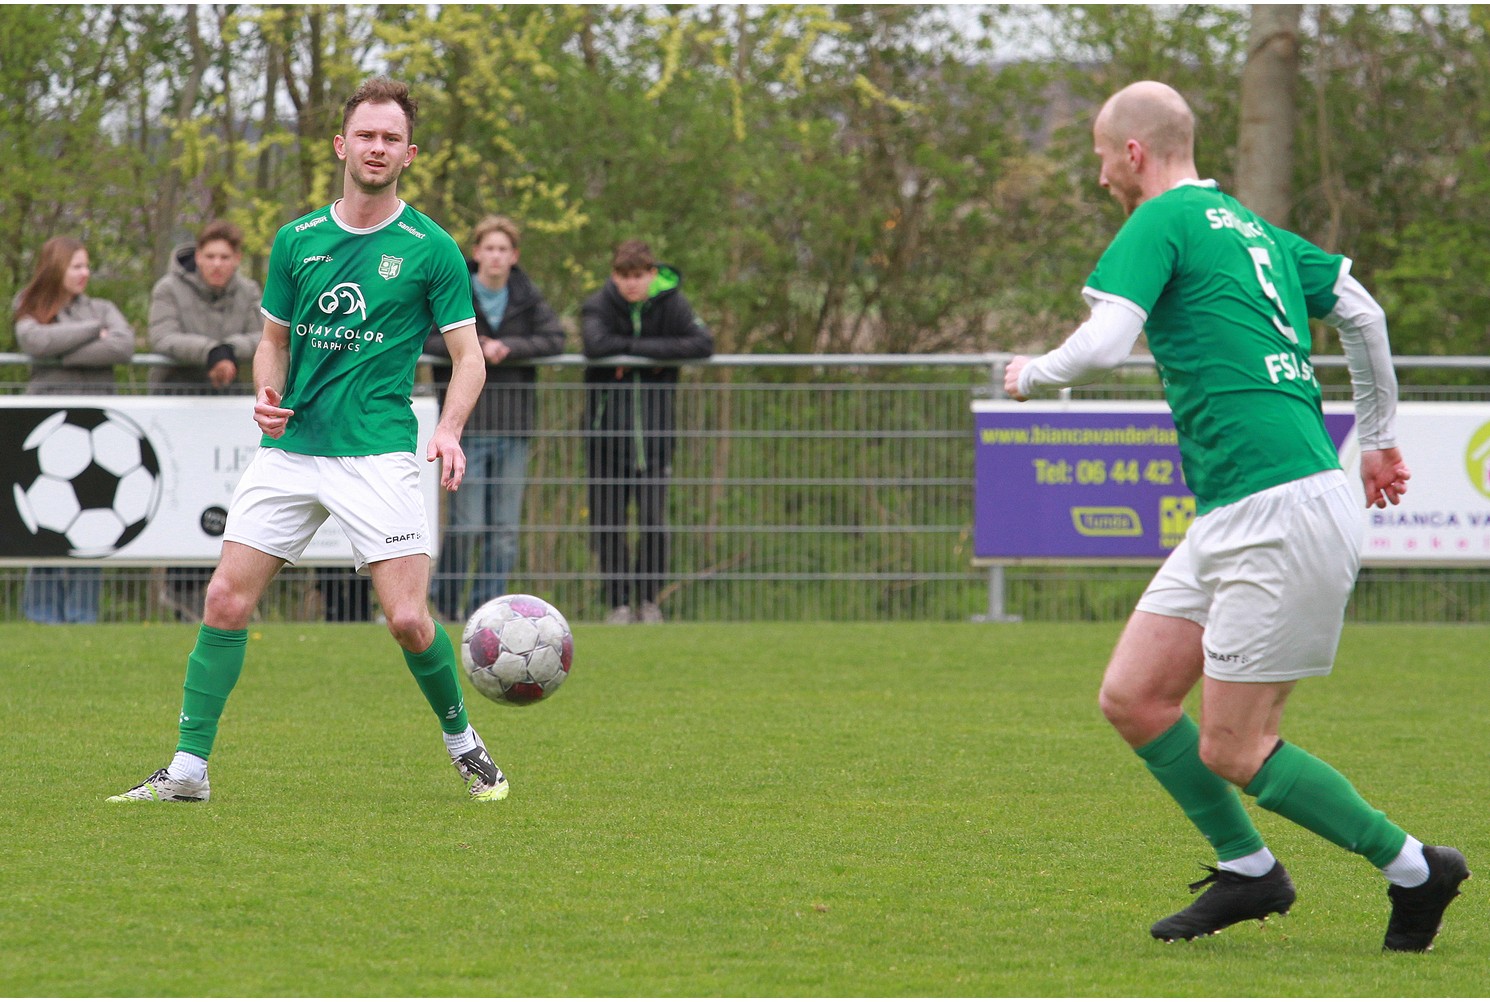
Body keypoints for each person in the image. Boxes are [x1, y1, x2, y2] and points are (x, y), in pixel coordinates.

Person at [1003, 81, 1467, 952]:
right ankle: (1250, 871)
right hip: (1237, 511)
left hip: (1279, 512)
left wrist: (1031, 374)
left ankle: (1415, 867)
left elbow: (1104, 344)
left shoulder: (1162, 219)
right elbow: (1362, 312)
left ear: (1133, 152)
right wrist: (1376, 438)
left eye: (1102, 158)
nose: (1101, 177)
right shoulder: (1254, 230)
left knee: (1236, 747)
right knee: (1136, 698)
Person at [107, 77, 506, 804]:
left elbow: (468, 356)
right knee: (224, 600)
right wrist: (267, 394)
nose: (377, 147)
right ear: (341, 145)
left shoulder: (433, 249)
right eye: (366, 135)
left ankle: (465, 744)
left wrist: (448, 429)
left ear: (409, 154)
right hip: (292, 452)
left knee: (408, 619)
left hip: (378, 450)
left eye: (391, 138)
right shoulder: (297, 240)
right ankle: (188, 771)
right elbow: (272, 342)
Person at [424, 214, 565, 621]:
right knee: (467, 525)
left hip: (514, 425)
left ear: (514, 255)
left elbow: (555, 338)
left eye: (504, 249)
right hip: (465, 425)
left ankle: (486, 612)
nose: (496, 256)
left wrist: (510, 348)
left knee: (503, 531)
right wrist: (475, 347)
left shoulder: (527, 296)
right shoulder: (455, 288)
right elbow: (427, 337)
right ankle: (446, 603)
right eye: (489, 248)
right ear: (477, 253)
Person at [581, 239, 713, 624]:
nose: (631, 283)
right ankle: (619, 603)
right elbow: (595, 343)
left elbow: (702, 343)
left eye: (639, 275)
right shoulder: (599, 303)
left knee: (653, 522)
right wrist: (652, 354)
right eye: (624, 275)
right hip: (606, 438)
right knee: (609, 523)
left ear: (652, 274)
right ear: (614, 276)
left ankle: (649, 600)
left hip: (656, 438)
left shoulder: (673, 303)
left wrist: (634, 355)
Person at [12, 236, 135, 624]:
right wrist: (93, 332)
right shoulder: (29, 305)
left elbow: (123, 346)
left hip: (97, 432)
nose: (85, 273)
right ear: (56, 268)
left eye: (87, 266)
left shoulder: (102, 307)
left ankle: (83, 614)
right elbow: (34, 340)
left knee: (92, 520)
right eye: (77, 266)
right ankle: (41, 613)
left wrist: (59, 352)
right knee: (48, 518)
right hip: (48, 432)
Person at [148, 219, 264, 621]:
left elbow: (266, 335)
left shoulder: (249, 291)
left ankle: (225, 591)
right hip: (178, 412)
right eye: (209, 256)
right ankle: (180, 589)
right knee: (183, 497)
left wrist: (229, 350)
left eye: (224, 257)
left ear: (237, 259)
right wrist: (210, 352)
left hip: (229, 413)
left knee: (230, 500)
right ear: (197, 256)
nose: (217, 264)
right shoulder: (168, 289)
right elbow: (162, 337)